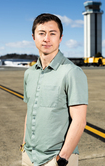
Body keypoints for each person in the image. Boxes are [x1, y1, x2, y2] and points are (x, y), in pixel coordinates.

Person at [21, 13, 88, 166]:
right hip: (29, 156)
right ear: (33, 37)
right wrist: (24, 146)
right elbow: (29, 111)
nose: (47, 39)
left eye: (53, 33)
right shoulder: (29, 73)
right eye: (42, 33)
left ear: (60, 38)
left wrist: (62, 158)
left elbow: (79, 120)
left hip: (56, 159)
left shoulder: (72, 72)